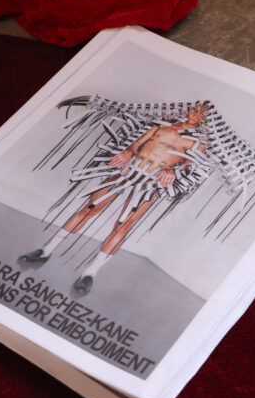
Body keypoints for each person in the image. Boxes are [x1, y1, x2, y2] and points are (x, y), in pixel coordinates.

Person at [19, 103, 207, 294]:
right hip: (126, 171)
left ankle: (90, 273)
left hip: (149, 184)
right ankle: (45, 251)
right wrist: (128, 152)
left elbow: (188, 166)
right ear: (187, 110)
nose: (196, 113)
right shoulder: (162, 125)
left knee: (123, 226)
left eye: (201, 112)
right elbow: (136, 144)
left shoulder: (198, 142)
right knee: (88, 209)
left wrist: (172, 171)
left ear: (205, 117)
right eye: (194, 109)